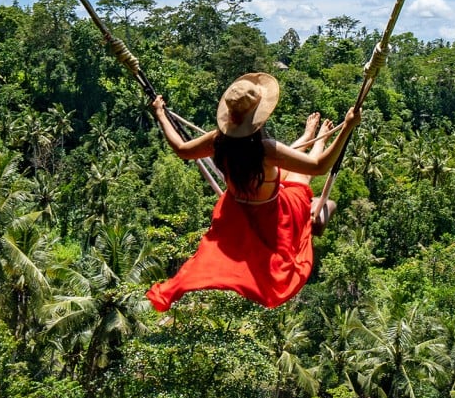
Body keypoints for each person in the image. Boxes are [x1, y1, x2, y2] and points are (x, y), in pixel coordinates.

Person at [146, 72, 360, 312]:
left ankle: (307, 137)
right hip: (273, 213)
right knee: (304, 182)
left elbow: (181, 149)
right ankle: (317, 142)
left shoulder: (218, 140)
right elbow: (319, 166)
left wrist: (160, 114)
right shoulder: (265, 149)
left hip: (237, 207)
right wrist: (347, 127)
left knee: (285, 170)